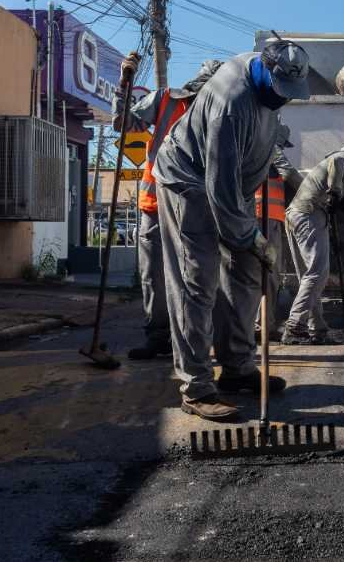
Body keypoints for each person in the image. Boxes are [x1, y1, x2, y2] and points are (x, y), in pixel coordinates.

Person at [153, 40, 312, 421]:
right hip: (188, 184)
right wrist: (250, 237)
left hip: (230, 188)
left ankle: (238, 366)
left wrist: (248, 240)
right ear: (265, 73)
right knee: (198, 282)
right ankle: (196, 385)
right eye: (281, 92)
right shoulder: (230, 105)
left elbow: (235, 180)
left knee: (245, 274)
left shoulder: (267, 84)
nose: (284, 100)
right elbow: (218, 189)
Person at [110, 58, 222, 360]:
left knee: (197, 278)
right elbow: (122, 124)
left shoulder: (222, 113)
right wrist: (124, 86)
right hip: (156, 205)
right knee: (154, 277)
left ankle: (194, 340)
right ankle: (159, 336)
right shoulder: (165, 100)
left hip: (197, 210)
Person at [282, 143, 344, 345]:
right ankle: (295, 325)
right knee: (318, 273)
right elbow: (338, 162)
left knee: (308, 276)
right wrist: (335, 191)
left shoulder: (336, 164)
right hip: (309, 214)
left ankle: (317, 328)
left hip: (296, 214)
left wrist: (336, 198)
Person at [254, 120, 300, 339]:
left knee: (248, 272)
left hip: (249, 216)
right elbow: (289, 174)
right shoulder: (271, 147)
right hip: (265, 216)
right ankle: (261, 325)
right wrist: (312, 193)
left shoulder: (248, 144)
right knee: (269, 272)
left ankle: (248, 325)